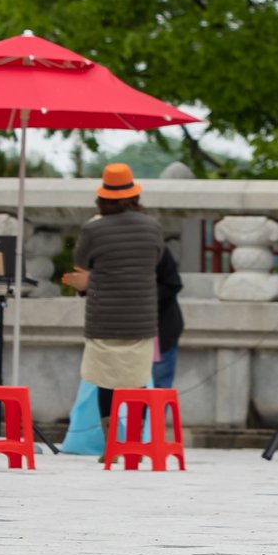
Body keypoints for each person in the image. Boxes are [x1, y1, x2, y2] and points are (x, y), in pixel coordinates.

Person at [63, 163, 164, 437]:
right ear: (135, 196)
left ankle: (111, 445)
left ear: (102, 197)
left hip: (104, 319)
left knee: (105, 381)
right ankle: (134, 440)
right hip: (141, 318)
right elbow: (156, 259)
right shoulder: (152, 227)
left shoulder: (93, 229)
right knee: (138, 381)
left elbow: (81, 263)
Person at [150, 243, 184, 390]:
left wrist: (142, 297)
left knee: (159, 385)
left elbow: (173, 284)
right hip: (127, 331)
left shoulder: (157, 249)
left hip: (161, 328)